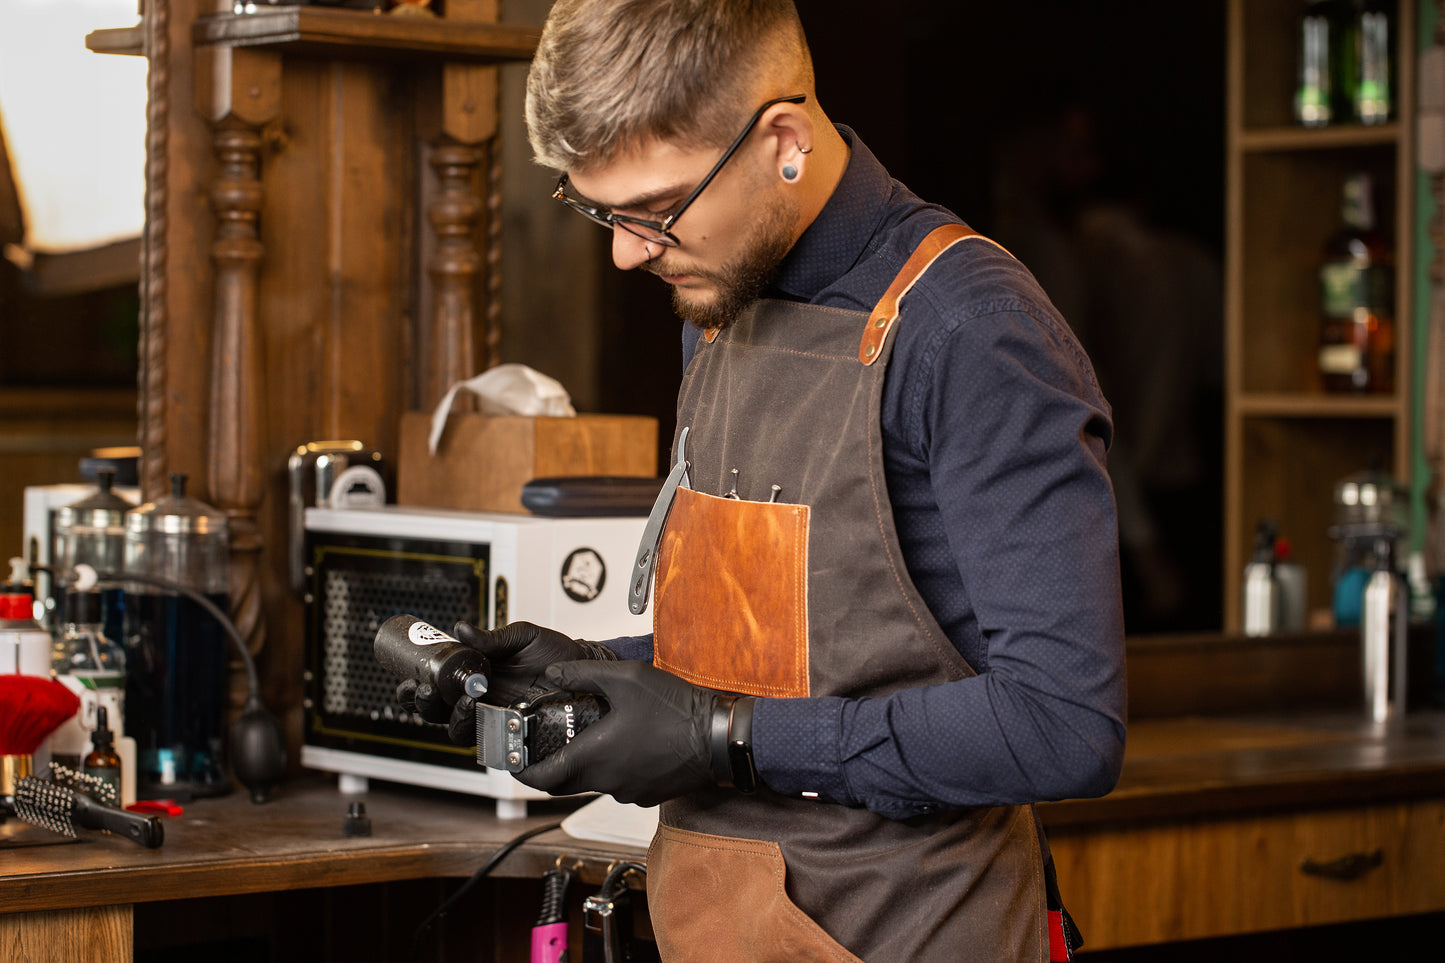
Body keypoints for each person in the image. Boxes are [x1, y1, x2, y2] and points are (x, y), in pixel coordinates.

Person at [401, 1, 1126, 959]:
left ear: (781, 139)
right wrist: (606, 670)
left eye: (653, 210)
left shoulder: (970, 332)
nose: (624, 250)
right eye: (598, 211)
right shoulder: (719, 293)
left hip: (908, 931)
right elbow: (811, 644)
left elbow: (1063, 725)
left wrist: (723, 737)